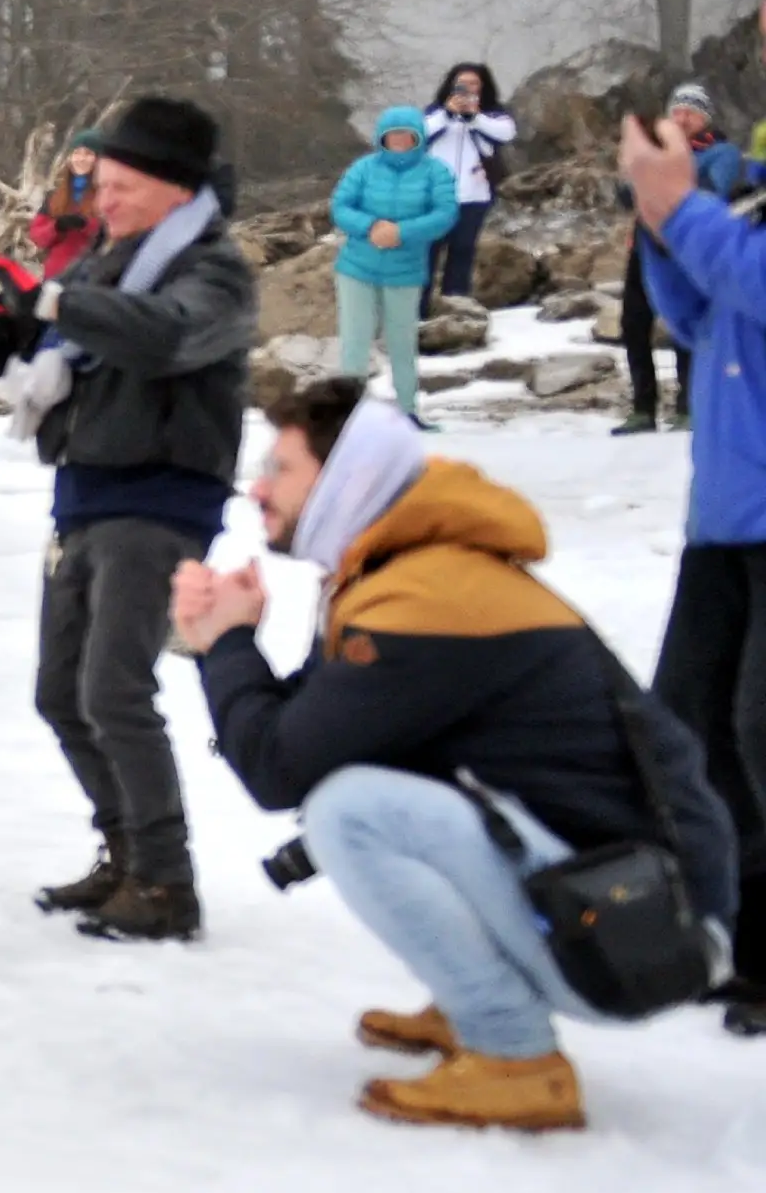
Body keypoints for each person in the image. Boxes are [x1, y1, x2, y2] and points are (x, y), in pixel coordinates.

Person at [178, 375, 738, 1127]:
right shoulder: (400, 573)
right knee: (369, 778)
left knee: (354, 811)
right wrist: (231, 640)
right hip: (625, 906)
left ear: (347, 478)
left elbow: (281, 769)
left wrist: (227, 642)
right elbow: (309, 732)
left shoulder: (427, 602)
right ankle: (472, 1001)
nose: (257, 488)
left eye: (281, 468)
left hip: (642, 939)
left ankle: (514, 1053)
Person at [0, 96, 254, 941]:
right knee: (62, 695)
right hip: (84, 495)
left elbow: (163, 337)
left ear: (176, 189)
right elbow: (31, 352)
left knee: (114, 691)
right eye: (100, 186)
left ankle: (167, 884)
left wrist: (51, 301)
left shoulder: (213, 272)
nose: (103, 202)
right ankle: (126, 856)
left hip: (161, 500)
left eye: (122, 187)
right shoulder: (105, 265)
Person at [625, 72, 766, 1036]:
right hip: (724, 523)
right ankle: (745, 942)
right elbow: (695, 311)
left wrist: (685, 209)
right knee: (694, 727)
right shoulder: (744, 194)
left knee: (764, 732)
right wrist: (656, 220)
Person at [617, 81, 746, 434]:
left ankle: (688, 404)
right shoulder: (654, 153)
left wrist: (669, 182)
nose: (683, 118)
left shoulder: (720, 152)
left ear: (705, 117)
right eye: (677, 111)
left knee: (685, 323)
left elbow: (714, 191)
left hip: (691, 246)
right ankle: (643, 407)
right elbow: (628, 194)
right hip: (647, 245)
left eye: (691, 111)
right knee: (634, 323)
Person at [329, 107, 457, 425]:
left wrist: (401, 232)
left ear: (418, 137)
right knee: (355, 342)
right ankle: (350, 413)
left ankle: (408, 408)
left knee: (402, 342)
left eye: (406, 134)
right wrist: (370, 226)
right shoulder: (363, 169)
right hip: (357, 267)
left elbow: (445, 214)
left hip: (406, 270)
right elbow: (340, 206)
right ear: (381, 138)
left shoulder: (436, 172)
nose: (399, 140)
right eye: (392, 134)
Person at [420, 61, 515, 306]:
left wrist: (475, 118)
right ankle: (417, 310)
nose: (468, 88)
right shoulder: (434, 112)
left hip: (474, 195)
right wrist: (447, 113)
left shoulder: (492, 113)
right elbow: (417, 133)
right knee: (426, 253)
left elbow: (506, 133)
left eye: (474, 83)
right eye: (462, 82)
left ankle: (457, 308)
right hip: (435, 198)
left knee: (462, 252)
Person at [26, 143, 102, 287]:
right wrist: (57, 227)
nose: (81, 159)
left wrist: (86, 225)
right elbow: (37, 236)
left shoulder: (106, 194)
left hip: (90, 277)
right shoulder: (56, 196)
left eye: (88, 154)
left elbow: (112, 233)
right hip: (55, 275)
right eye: (76, 153)